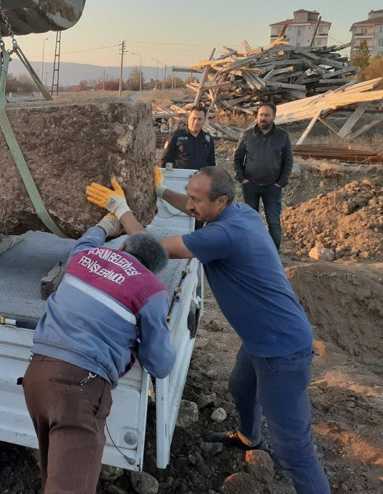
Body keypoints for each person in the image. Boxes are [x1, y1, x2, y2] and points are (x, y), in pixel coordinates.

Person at [92, 166, 328, 493]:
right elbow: (193, 207)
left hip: (281, 350)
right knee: (241, 386)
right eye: (188, 195)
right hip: (262, 338)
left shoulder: (222, 236)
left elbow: (153, 251)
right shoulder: (240, 213)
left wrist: (121, 210)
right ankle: (248, 438)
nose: (189, 205)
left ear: (220, 201)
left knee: (295, 452)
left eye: (196, 199)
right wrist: (162, 192)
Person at [22, 185, 175, 493]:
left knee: (56, 476)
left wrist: (109, 221)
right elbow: (160, 364)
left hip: (36, 376)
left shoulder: (84, 256)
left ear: (124, 248)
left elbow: (87, 239)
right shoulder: (151, 290)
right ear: (153, 270)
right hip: (78, 388)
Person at [233, 102, 293, 249]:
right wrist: (242, 179)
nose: (263, 118)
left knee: (273, 223)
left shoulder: (282, 136)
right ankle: (251, 253)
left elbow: (288, 161)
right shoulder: (247, 135)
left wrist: (281, 183)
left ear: (273, 116)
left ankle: (273, 257)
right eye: (261, 115)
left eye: (267, 115)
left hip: (272, 187)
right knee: (250, 222)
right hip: (250, 186)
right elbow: (237, 159)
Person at [160, 105, 215, 170]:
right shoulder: (176, 136)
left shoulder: (207, 139)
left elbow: (212, 164)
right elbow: (165, 161)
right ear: (188, 118)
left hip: (201, 178)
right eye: (193, 118)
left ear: (204, 120)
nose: (196, 122)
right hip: (180, 177)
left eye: (199, 119)